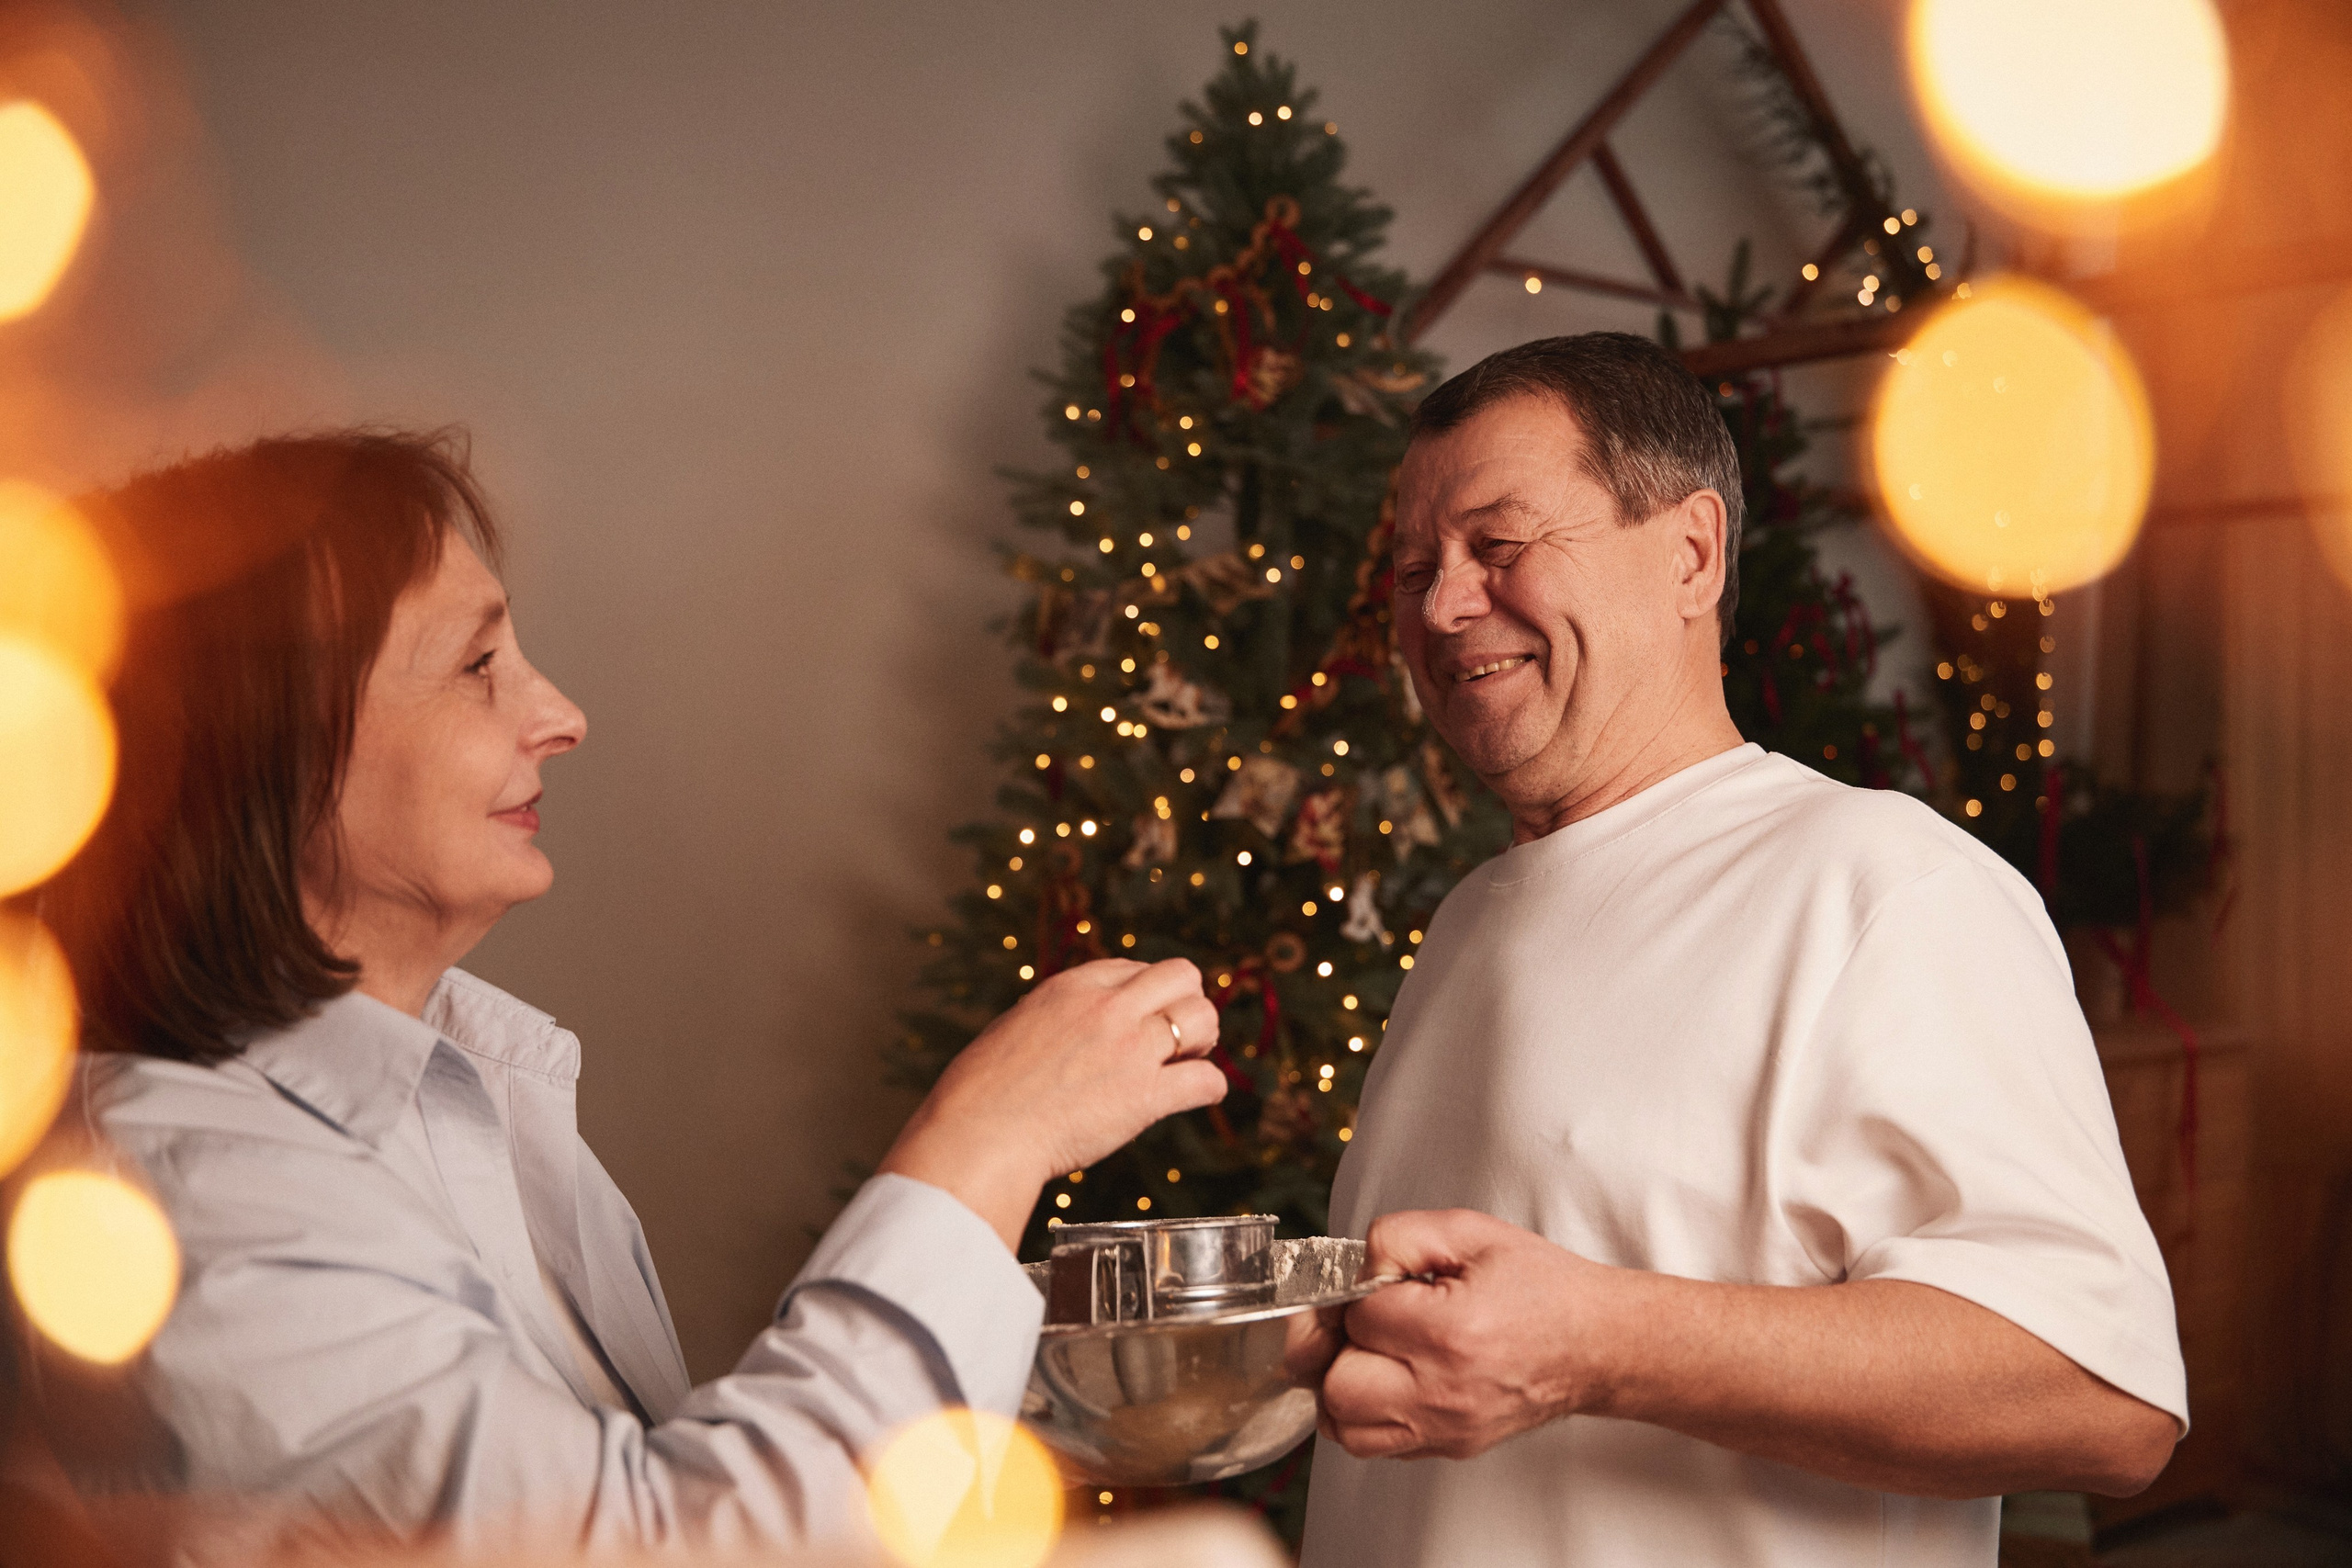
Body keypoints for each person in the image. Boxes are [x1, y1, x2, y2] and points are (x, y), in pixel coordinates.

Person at [29, 431, 1227, 1553]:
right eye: (477, 664)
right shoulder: (183, 1208)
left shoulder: (454, 1089)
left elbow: (631, 1482)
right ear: (267, 748)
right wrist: (983, 1147)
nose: (560, 716)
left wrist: (1152, 1367)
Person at [1298, 334, 2185, 1568]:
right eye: (1411, 570)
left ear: (1692, 551)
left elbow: (2106, 1399)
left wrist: (1599, 1346)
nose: (1445, 606)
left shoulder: (1886, 886)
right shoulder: (1471, 917)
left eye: (1498, 546)